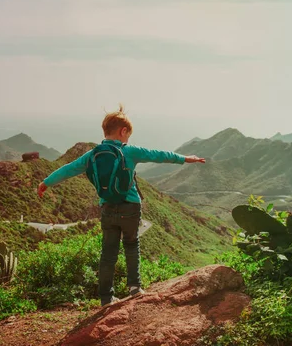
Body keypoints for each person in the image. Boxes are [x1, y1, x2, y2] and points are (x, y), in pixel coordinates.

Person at [37, 105, 206, 306]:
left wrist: (46, 182)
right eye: (128, 135)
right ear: (123, 131)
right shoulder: (130, 151)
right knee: (132, 245)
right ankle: (135, 288)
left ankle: (106, 298)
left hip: (107, 208)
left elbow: (68, 169)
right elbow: (158, 155)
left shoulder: (92, 154)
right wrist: (186, 159)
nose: (128, 139)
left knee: (108, 253)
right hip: (130, 207)